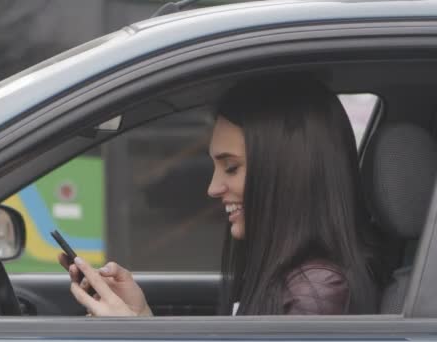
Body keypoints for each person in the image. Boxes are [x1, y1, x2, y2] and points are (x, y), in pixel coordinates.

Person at [58, 74, 378, 316]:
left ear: (288, 172)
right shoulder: (293, 280)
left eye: (232, 167)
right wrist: (142, 317)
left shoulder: (316, 292)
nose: (213, 188)